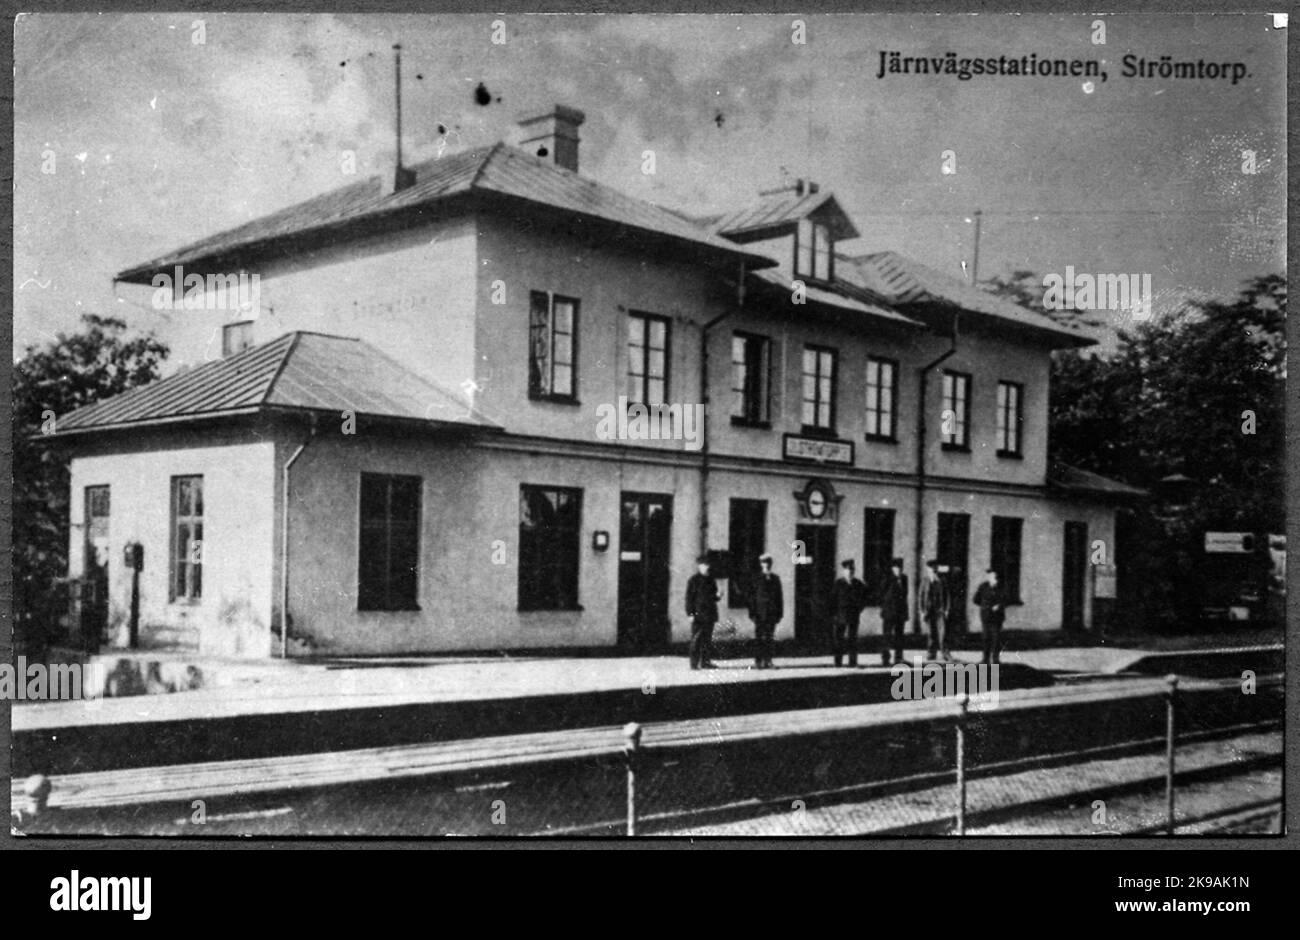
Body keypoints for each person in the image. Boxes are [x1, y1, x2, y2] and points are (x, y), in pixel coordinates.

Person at [685, 555, 722, 670]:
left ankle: (705, 662)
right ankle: (694, 663)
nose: (706, 567)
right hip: (698, 615)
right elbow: (689, 598)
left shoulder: (711, 580)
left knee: (707, 639)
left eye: (707, 565)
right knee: (696, 639)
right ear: (699, 566)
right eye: (704, 565)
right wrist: (690, 613)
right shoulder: (693, 580)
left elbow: (713, 597)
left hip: (710, 614)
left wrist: (718, 596)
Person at [748, 553, 784, 669]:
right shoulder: (756, 578)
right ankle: (758, 662)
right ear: (761, 564)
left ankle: (768, 661)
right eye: (764, 563)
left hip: (772, 613)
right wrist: (752, 613)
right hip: (759, 613)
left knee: (769, 638)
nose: (766, 565)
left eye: (768, 563)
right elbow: (752, 597)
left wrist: (779, 613)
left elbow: (779, 597)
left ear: (771, 564)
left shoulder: (775, 579)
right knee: (759, 638)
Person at [831, 559, 867, 667]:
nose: (850, 572)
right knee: (839, 639)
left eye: (851, 570)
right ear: (843, 571)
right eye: (847, 570)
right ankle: (838, 662)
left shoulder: (858, 584)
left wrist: (858, 609)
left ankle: (852, 661)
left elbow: (864, 599)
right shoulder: (838, 583)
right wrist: (834, 614)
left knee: (853, 639)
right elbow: (832, 600)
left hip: (853, 616)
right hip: (840, 616)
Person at [972, 568, 1007, 665]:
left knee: (996, 639)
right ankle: (985, 659)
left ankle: (995, 660)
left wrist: (999, 605)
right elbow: (975, 599)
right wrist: (986, 607)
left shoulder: (1001, 587)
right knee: (986, 638)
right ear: (988, 577)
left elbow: (1006, 599)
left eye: (995, 577)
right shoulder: (983, 587)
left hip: (997, 617)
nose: (994, 578)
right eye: (991, 576)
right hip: (986, 616)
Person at [921, 559, 952, 662]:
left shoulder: (942, 580)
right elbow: (921, 597)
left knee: (943, 633)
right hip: (929, 611)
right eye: (930, 568)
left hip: (940, 611)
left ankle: (945, 653)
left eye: (934, 568)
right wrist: (921, 611)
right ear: (927, 569)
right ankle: (931, 653)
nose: (933, 570)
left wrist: (947, 609)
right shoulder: (925, 581)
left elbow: (947, 596)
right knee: (931, 633)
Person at [880, 558, 909, 667]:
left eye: (901, 568)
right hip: (889, 613)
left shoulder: (905, 578)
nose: (899, 570)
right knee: (887, 637)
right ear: (893, 569)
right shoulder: (887, 579)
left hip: (900, 613)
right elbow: (882, 593)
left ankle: (898, 658)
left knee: (899, 637)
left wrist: (905, 612)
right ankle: (885, 659)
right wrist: (886, 608)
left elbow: (905, 596)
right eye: (897, 568)